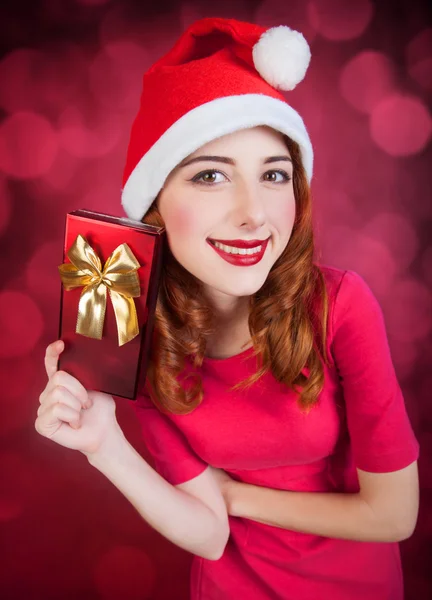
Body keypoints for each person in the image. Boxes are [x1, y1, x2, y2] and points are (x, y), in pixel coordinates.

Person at [35, 17, 420, 600]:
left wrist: (235, 495)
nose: (254, 214)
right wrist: (105, 446)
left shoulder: (340, 306)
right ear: (156, 200)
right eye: (212, 175)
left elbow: (394, 516)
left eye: (274, 175)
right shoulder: (131, 325)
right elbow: (209, 535)